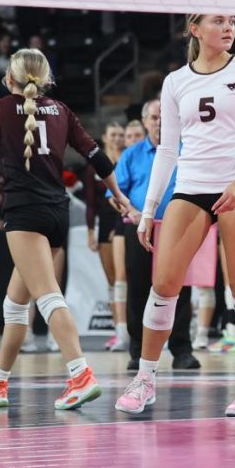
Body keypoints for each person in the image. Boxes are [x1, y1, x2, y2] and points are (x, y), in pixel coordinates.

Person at [115, 15, 235, 417]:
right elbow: (167, 150)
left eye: (232, 22)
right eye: (218, 21)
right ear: (195, 28)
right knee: (164, 283)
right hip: (190, 188)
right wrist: (149, 210)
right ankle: (145, 379)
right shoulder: (175, 82)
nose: (228, 28)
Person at [0, 48, 134, 411]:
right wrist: (118, 195)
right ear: (45, 80)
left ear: (9, 79)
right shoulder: (61, 110)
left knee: (47, 296)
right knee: (15, 304)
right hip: (57, 213)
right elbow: (97, 156)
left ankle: (80, 375)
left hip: (25, 214)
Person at [115, 101, 198, 372]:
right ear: (144, 121)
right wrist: (133, 212)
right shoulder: (131, 154)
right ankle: (138, 351)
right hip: (138, 226)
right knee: (138, 288)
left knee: (181, 288)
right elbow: (115, 195)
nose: (160, 122)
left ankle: (182, 351)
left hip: (178, 227)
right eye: (154, 117)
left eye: (164, 117)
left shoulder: (187, 151)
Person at [85, 120, 128, 352]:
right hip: (105, 222)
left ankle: (128, 328)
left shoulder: (127, 159)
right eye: (113, 134)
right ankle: (117, 329)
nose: (117, 138)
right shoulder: (96, 165)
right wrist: (91, 231)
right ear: (104, 137)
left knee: (125, 278)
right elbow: (91, 203)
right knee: (112, 280)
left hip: (123, 221)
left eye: (120, 134)